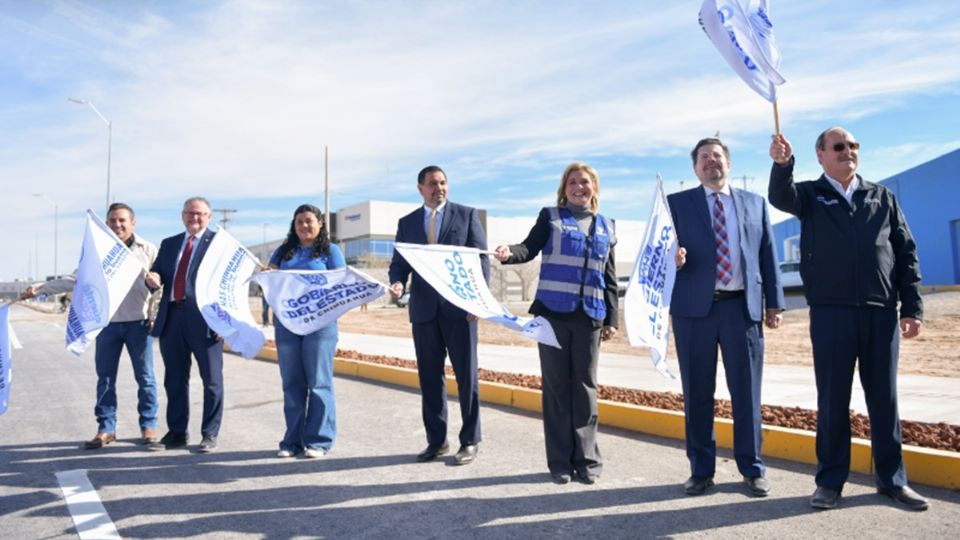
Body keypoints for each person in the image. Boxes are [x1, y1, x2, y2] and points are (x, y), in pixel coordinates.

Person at [769, 128, 928, 511]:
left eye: (853, 146)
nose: (848, 152)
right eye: (839, 147)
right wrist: (782, 165)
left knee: (884, 402)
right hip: (831, 313)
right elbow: (779, 196)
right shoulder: (809, 194)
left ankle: (892, 480)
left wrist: (912, 307)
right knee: (834, 400)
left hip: (880, 313)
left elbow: (905, 251)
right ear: (821, 155)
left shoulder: (881, 196)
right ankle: (829, 481)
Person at [667, 138, 784, 497]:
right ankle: (701, 470)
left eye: (716, 156)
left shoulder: (754, 203)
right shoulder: (675, 205)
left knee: (746, 393)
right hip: (692, 312)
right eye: (703, 158)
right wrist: (673, 257)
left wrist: (774, 302)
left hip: (741, 310)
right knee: (698, 393)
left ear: (728, 164)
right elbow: (660, 251)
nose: (710, 162)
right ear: (695, 168)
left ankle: (752, 468)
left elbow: (767, 252)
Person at [494, 162, 617, 485]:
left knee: (586, 389)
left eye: (585, 182)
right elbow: (528, 248)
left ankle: (587, 460)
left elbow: (610, 277)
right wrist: (509, 253)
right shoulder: (550, 217)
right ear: (564, 189)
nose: (579, 187)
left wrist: (611, 318)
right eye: (572, 182)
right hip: (553, 316)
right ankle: (560, 461)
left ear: (594, 188)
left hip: (590, 316)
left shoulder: (607, 225)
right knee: (557, 389)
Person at [21, 203, 161, 449]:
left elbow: (161, 287)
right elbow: (75, 280)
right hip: (107, 325)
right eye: (112, 221)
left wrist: (154, 312)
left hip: (139, 324)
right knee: (105, 378)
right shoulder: (99, 250)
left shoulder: (148, 250)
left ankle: (148, 425)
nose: (116, 225)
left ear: (133, 223)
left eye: (121, 221)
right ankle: (106, 428)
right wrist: (39, 289)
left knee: (146, 378)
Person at [388, 165, 489, 465]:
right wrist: (396, 281)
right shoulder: (406, 223)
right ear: (420, 188)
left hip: (460, 311)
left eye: (443, 183)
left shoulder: (467, 215)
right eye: (432, 184)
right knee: (430, 379)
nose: (439, 188)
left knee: (466, 377)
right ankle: (437, 441)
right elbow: (399, 262)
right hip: (423, 312)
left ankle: (470, 441)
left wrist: (477, 302)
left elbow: (480, 261)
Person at [145, 197, 223, 453]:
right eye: (190, 213)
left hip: (205, 321)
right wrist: (153, 277)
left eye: (200, 214)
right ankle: (177, 433)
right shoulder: (169, 244)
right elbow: (158, 275)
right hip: (172, 319)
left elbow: (227, 285)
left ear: (209, 217)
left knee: (211, 380)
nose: (195, 218)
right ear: (182, 215)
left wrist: (225, 321)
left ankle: (209, 433)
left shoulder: (219, 244)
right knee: (175, 380)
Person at [268, 204, 345, 458]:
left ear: (320, 223)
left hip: (320, 325)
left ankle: (319, 441)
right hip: (288, 325)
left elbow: (342, 284)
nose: (304, 226)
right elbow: (271, 282)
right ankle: (291, 441)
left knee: (319, 383)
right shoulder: (284, 251)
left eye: (309, 221)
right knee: (292, 383)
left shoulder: (330, 251)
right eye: (299, 221)